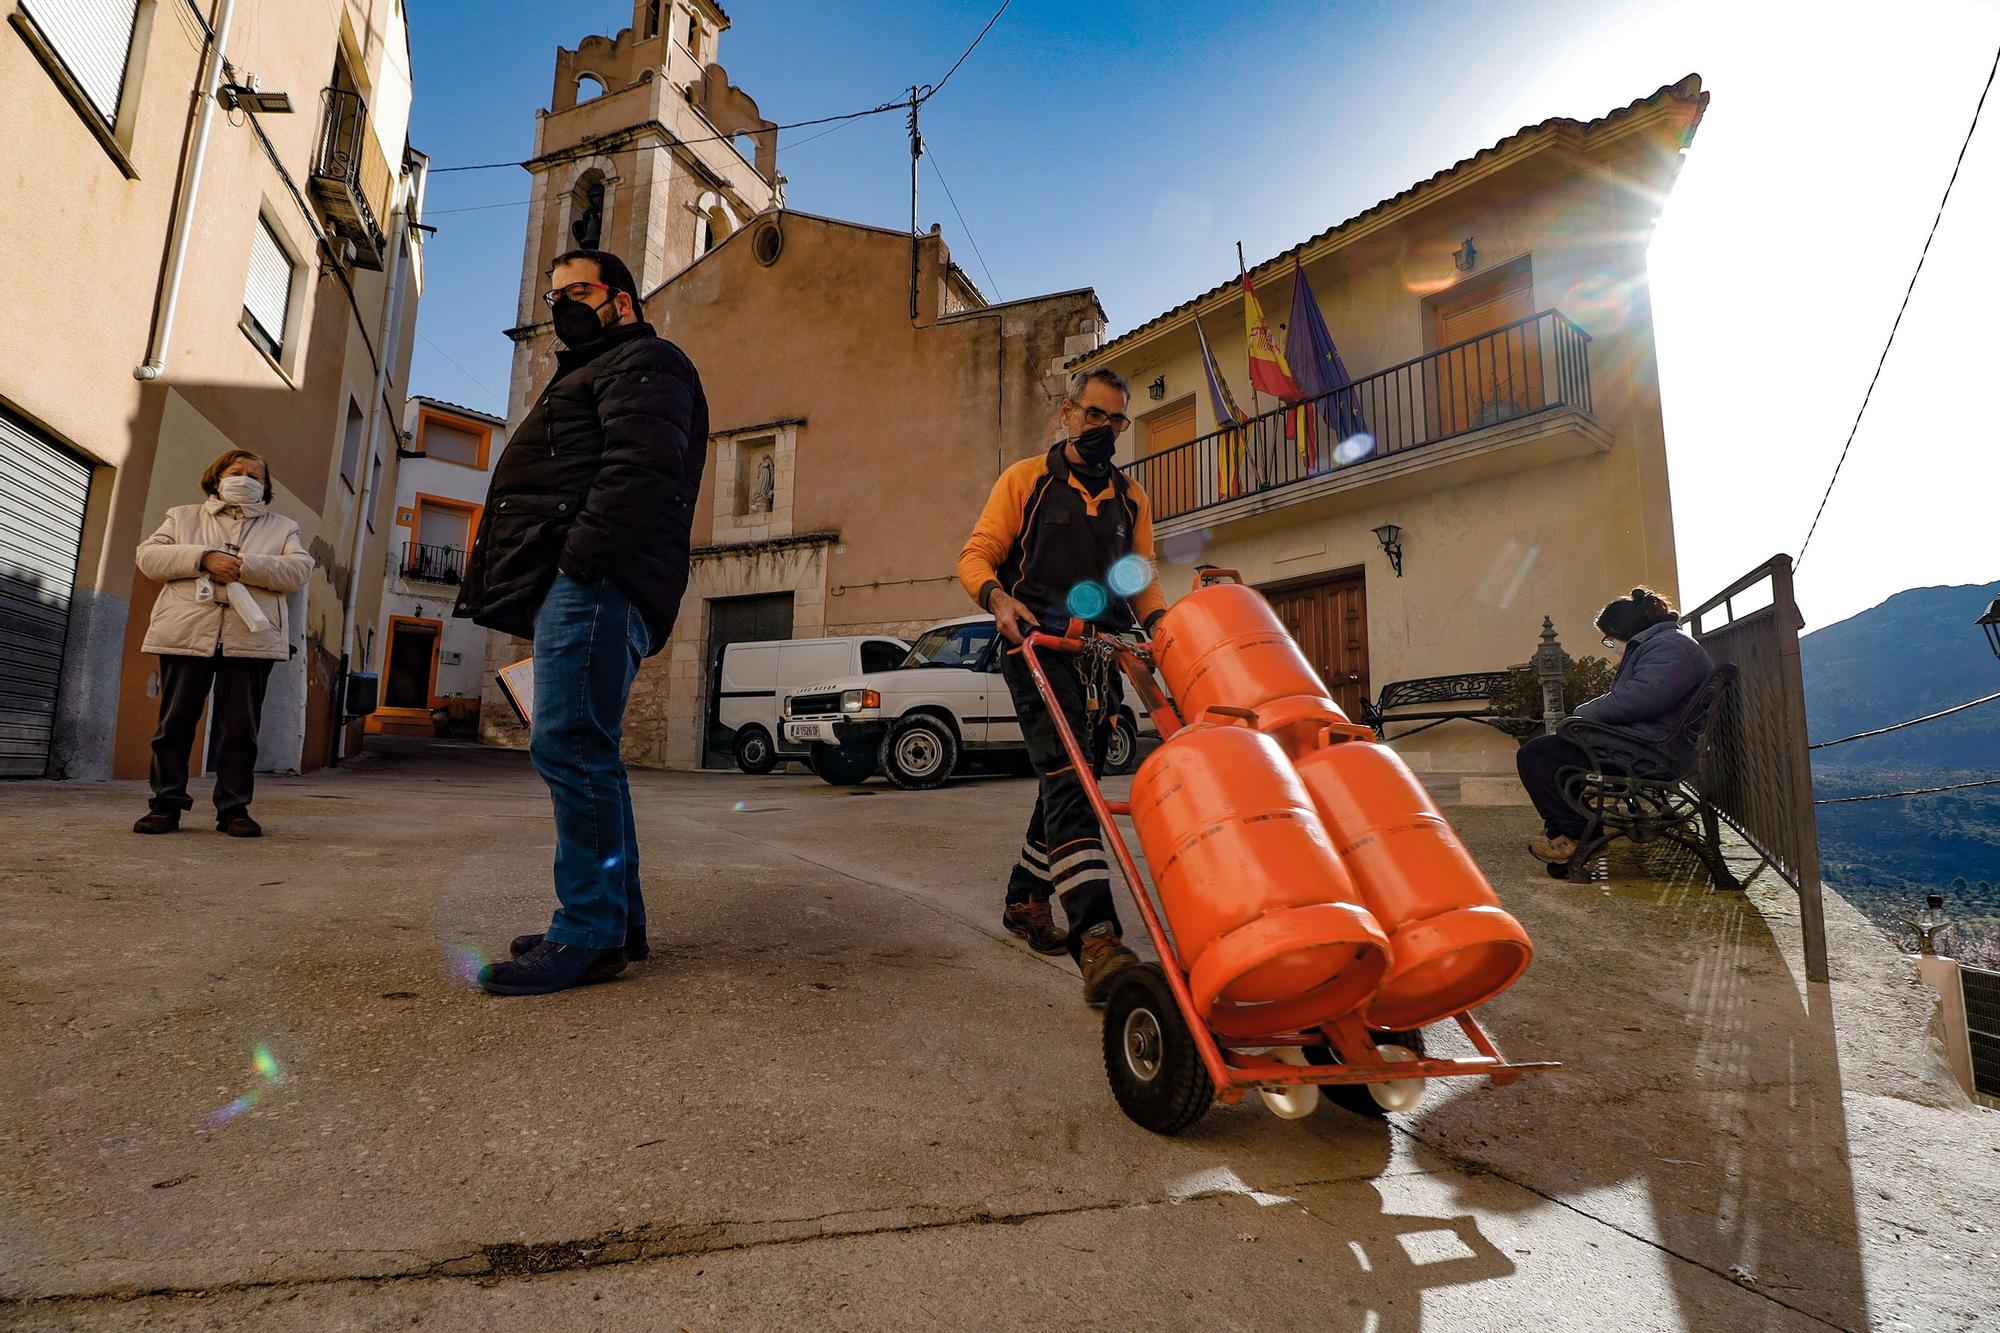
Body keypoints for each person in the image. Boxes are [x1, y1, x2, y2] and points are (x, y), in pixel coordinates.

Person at [454, 248, 708, 996]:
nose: (562, 303)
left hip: (598, 582)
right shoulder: (598, 369)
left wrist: (576, 562)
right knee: (589, 749)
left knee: (568, 743)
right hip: (589, 581)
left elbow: (641, 471)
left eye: (580, 291)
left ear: (622, 301)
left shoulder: (647, 362)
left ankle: (588, 931)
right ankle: (615, 921)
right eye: (553, 292)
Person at [957, 367, 1168, 1004]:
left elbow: (1140, 580)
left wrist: (1162, 630)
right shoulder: (1026, 480)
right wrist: (997, 601)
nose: (1105, 429)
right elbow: (976, 555)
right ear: (1068, 414)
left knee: (1071, 778)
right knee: (1071, 776)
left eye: (1116, 420)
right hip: (1036, 643)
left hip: (1101, 656)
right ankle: (1097, 937)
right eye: (1094, 415)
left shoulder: (1132, 499)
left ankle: (1025, 899)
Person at [131, 450, 314, 838]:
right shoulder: (181, 517)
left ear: (265, 488)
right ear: (217, 478)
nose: (245, 479)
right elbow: (149, 557)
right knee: (174, 725)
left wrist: (244, 566)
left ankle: (234, 810)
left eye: (255, 476)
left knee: (240, 730)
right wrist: (205, 557)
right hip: (185, 633)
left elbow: (299, 569)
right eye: (236, 472)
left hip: (251, 638)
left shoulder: (283, 527)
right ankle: (166, 806)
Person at [1516, 587, 1714, 863]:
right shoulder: (1666, 644)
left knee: (1537, 754)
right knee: (1553, 751)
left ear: (1624, 629)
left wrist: (1581, 714)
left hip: (1653, 751)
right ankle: (1571, 830)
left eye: (1610, 638)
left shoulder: (1669, 646)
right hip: (1650, 743)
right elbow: (1639, 696)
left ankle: (1577, 837)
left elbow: (1640, 698)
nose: (1612, 645)